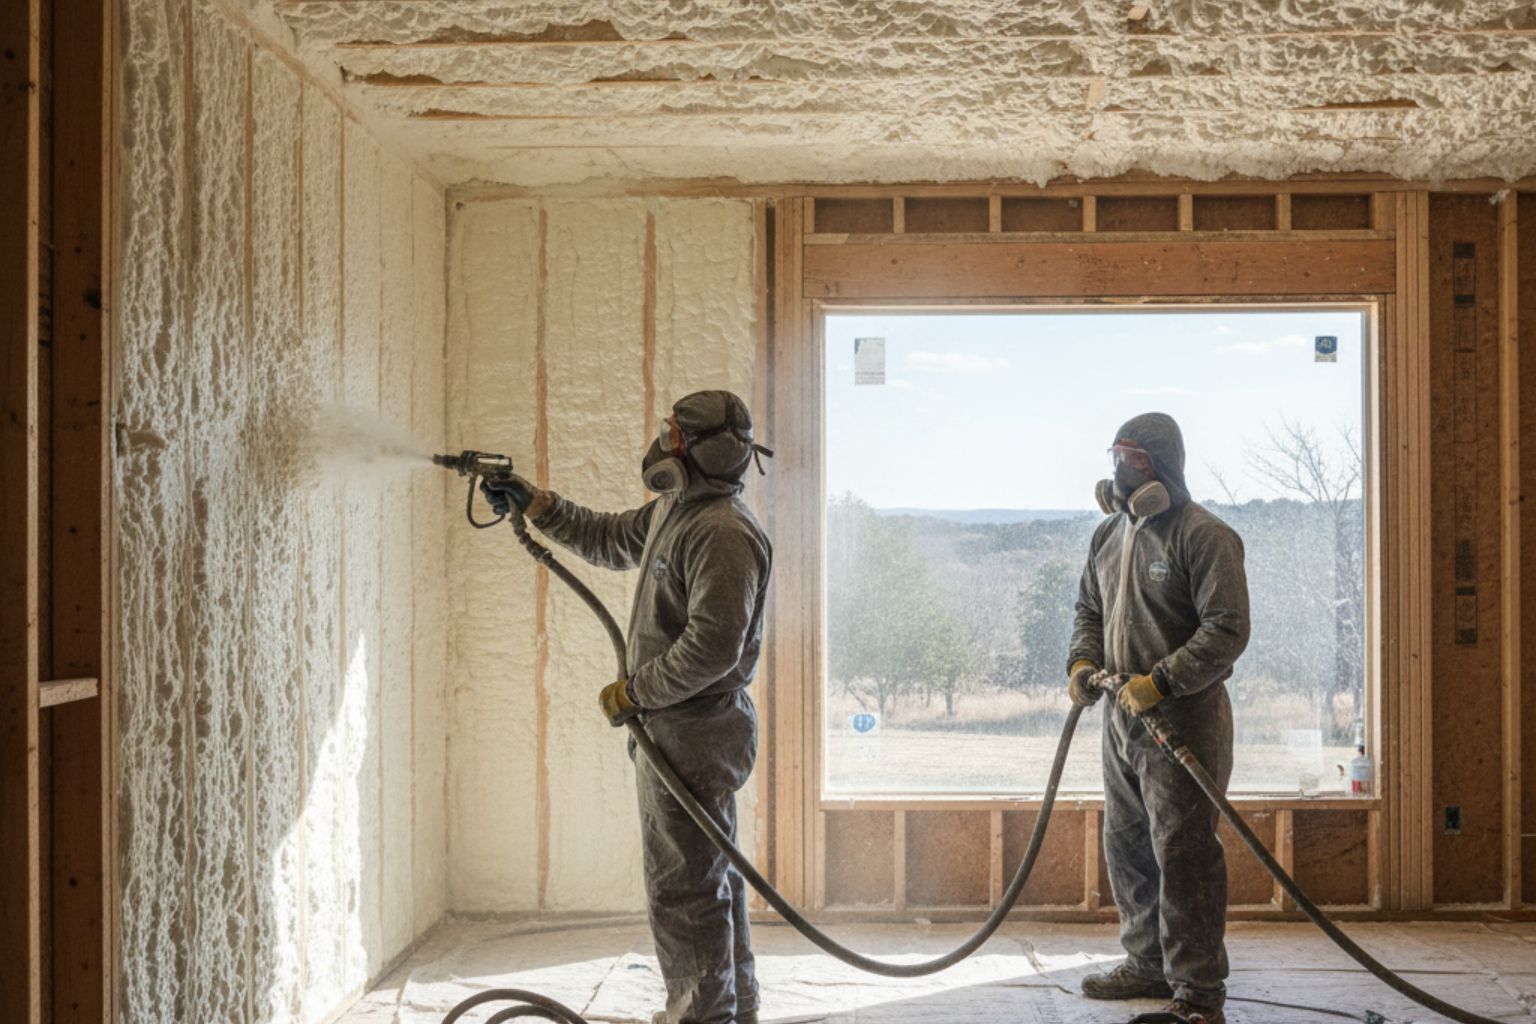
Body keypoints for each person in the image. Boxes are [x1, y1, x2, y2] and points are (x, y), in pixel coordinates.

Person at [482, 390, 773, 1024]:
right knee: (708, 879)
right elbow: (613, 539)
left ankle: (703, 1017)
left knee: (686, 889)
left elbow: (712, 649)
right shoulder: (678, 510)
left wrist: (634, 693)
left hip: (695, 730)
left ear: (692, 449)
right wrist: (538, 505)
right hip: (679, 727)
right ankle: (730, 1013)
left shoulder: (722, 534)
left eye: (671, 431)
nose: (661, 440)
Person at [1066, 412, 1250, 1024]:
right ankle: (1145, 963)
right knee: (1128, 846)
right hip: (1121, 719)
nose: (1120, 469)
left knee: (1184, 852)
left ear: (1162, 465)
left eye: (1133, 458)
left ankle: (1199, 995)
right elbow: (1088, 608)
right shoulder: (1109, 536)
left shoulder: (1203, 536)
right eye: (1115, 454)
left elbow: (1227, 629)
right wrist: (1083, 661)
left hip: (1183, 721)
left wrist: (1163, 681)